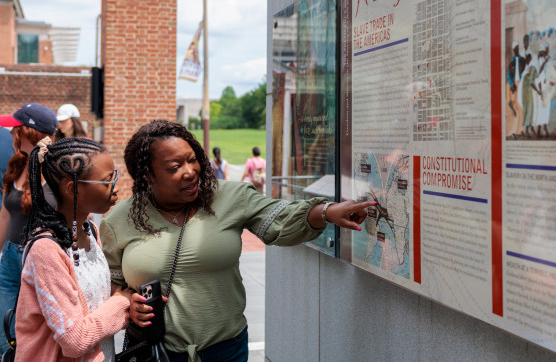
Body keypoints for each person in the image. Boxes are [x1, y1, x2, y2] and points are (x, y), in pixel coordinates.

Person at [101, 120, 374, 362]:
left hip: (225, 349)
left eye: (193, 159)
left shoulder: (232, 196)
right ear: (147, 176)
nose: (190, 171)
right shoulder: (119, 221)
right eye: (174, 167)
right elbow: (111, 288)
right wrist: (127, 305)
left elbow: (281, 218)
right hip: (155, 350)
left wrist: (326, 212)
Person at [15, 137, 138, 362]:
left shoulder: (90, 230)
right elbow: (74, 340)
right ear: (73, 189)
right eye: (107, 180)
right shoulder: (46, 251)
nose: (116, 186)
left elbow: (92, 298)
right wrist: (121, 302)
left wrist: (130, 303)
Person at [0, 103, 58, 356]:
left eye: (16, 130)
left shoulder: (57, 168)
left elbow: (82, 213)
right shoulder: (18, 163)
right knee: (4, 329)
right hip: (12, 256)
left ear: (29, 133)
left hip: (38, 258)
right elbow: (5, 215)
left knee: (34, 331)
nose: (11, 134)